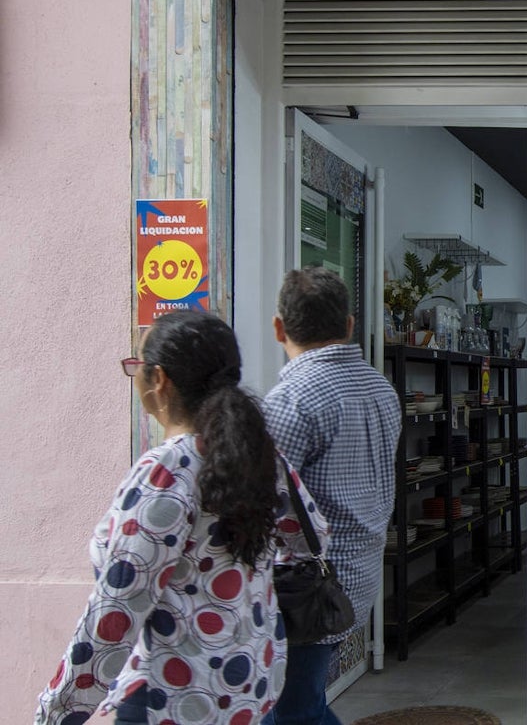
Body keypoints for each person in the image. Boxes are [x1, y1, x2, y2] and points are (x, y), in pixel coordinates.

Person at [34, 310, 327, 725]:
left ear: (159, 380)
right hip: (251, 684)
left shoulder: (167, 471)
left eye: (136, 366)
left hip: (176, 700)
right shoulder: (260, 457)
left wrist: (56, 711)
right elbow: (313, 536)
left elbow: (115, 612)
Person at [262, 268, 402, 725]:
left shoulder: (291, 400)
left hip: (308, 592)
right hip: (356, 578)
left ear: (279, 328)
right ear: (348, 325)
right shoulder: (380, 389)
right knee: (299, 707)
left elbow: (261, 504)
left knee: (292, 712)